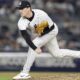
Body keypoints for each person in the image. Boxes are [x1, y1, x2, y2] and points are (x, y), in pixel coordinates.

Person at [13, 0, 80, 80]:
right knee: (57, 54)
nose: (20, 10)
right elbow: (26, 37)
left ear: (28, 8)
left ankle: (25, 73)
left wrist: (36, 45)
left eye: (22, 8)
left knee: (35, 43)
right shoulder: (21, 22)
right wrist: (35, 47)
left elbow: (49, 28)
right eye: (19, 9)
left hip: (52, 30)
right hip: (41, 33)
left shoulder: (41, 14)